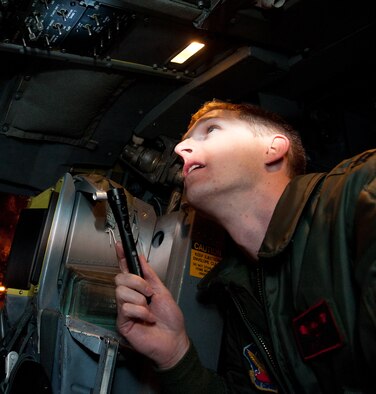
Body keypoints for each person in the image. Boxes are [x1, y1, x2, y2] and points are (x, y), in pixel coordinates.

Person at [114, 100, 376, 393]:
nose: (179, 149)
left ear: (273, 149)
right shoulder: (239, 294)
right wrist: (174, 355)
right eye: (185, 140)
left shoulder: (363, 192)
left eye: (211, 129)